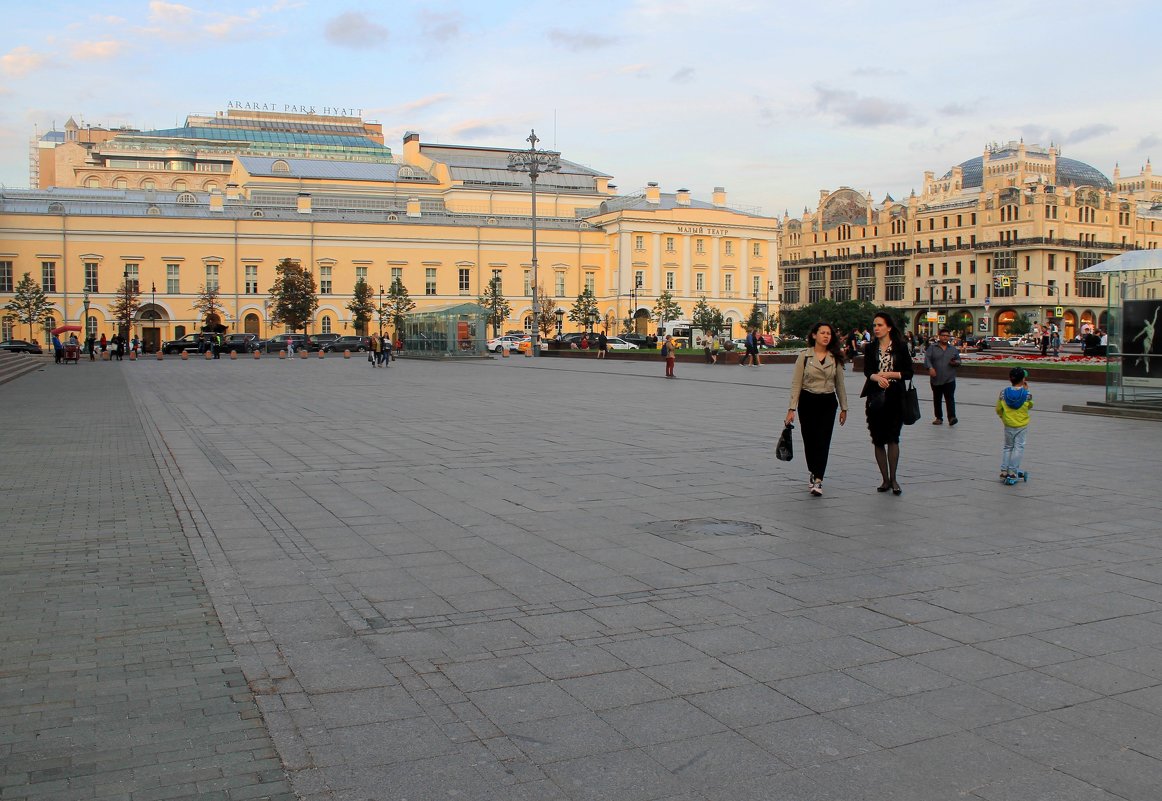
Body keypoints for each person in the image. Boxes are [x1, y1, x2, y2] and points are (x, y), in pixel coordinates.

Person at [785, 322, 848, 497]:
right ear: (814, 335)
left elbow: (840, 385)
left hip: (827, 402)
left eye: (829, 333)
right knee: (810, 440)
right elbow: (796, 384)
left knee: (823, 440)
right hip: (808, 401)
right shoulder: (804, 357)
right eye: (822, 333)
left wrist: (844, 407)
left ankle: (818, 478)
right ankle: (813, 470)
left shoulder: (835, 358)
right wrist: (791, 409)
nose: (826, 336)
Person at [861, 311, 914, 495]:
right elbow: (867, 370)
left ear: (889, 327)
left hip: (895, 396)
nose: (876, 328)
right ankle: (884, 479)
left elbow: (908, 372)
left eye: (880, 325)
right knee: (877, 438)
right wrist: (876, 377)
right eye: (874, 325)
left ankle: (894, 479)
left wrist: (889, 375)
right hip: (875, 396)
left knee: (893, 437)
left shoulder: (900, 346)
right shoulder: (870, 348)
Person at [996, 367, 1034, 484]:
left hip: (1008, 424)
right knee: (1018, 448)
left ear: (1010, 379)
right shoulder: (1027, 394)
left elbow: (998, 409)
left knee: (1008, 447)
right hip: (1021, 425)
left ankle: (1004, 471)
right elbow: (1030, 406)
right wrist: (1026, 390)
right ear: (1023, 379)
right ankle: (1012, 472)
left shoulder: (1003, 393)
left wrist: (1003, 418)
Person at [924, 327, 961, 425]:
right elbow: (927, 359)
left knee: (950, 398)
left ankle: (952, 417)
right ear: (939, 336)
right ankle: (939, 418)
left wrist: (955, 362)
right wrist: (930, 368)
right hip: (936, 379)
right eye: (943, 335)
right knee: (937, 399)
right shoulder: (932, 348)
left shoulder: (953, 349)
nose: (945, 337)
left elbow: (959, 361)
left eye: (947, 336)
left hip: (949, 378)